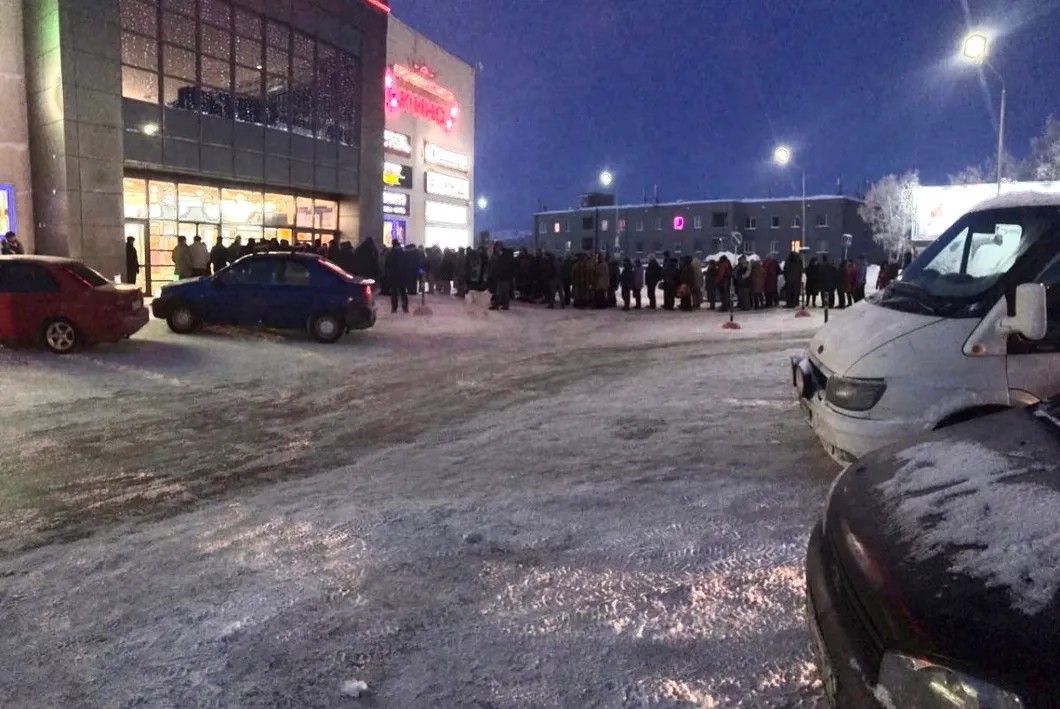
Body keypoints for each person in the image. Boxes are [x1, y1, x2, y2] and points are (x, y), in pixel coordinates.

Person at [385, 242, 409, 313]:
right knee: (403, 292)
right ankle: (405, 307)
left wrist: (388, 275)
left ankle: (394, 308)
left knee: (394, 292)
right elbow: (407, 265)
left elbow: (387, 265)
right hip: (401, 275)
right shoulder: (403, 253)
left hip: (394, 275)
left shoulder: (390, 254)